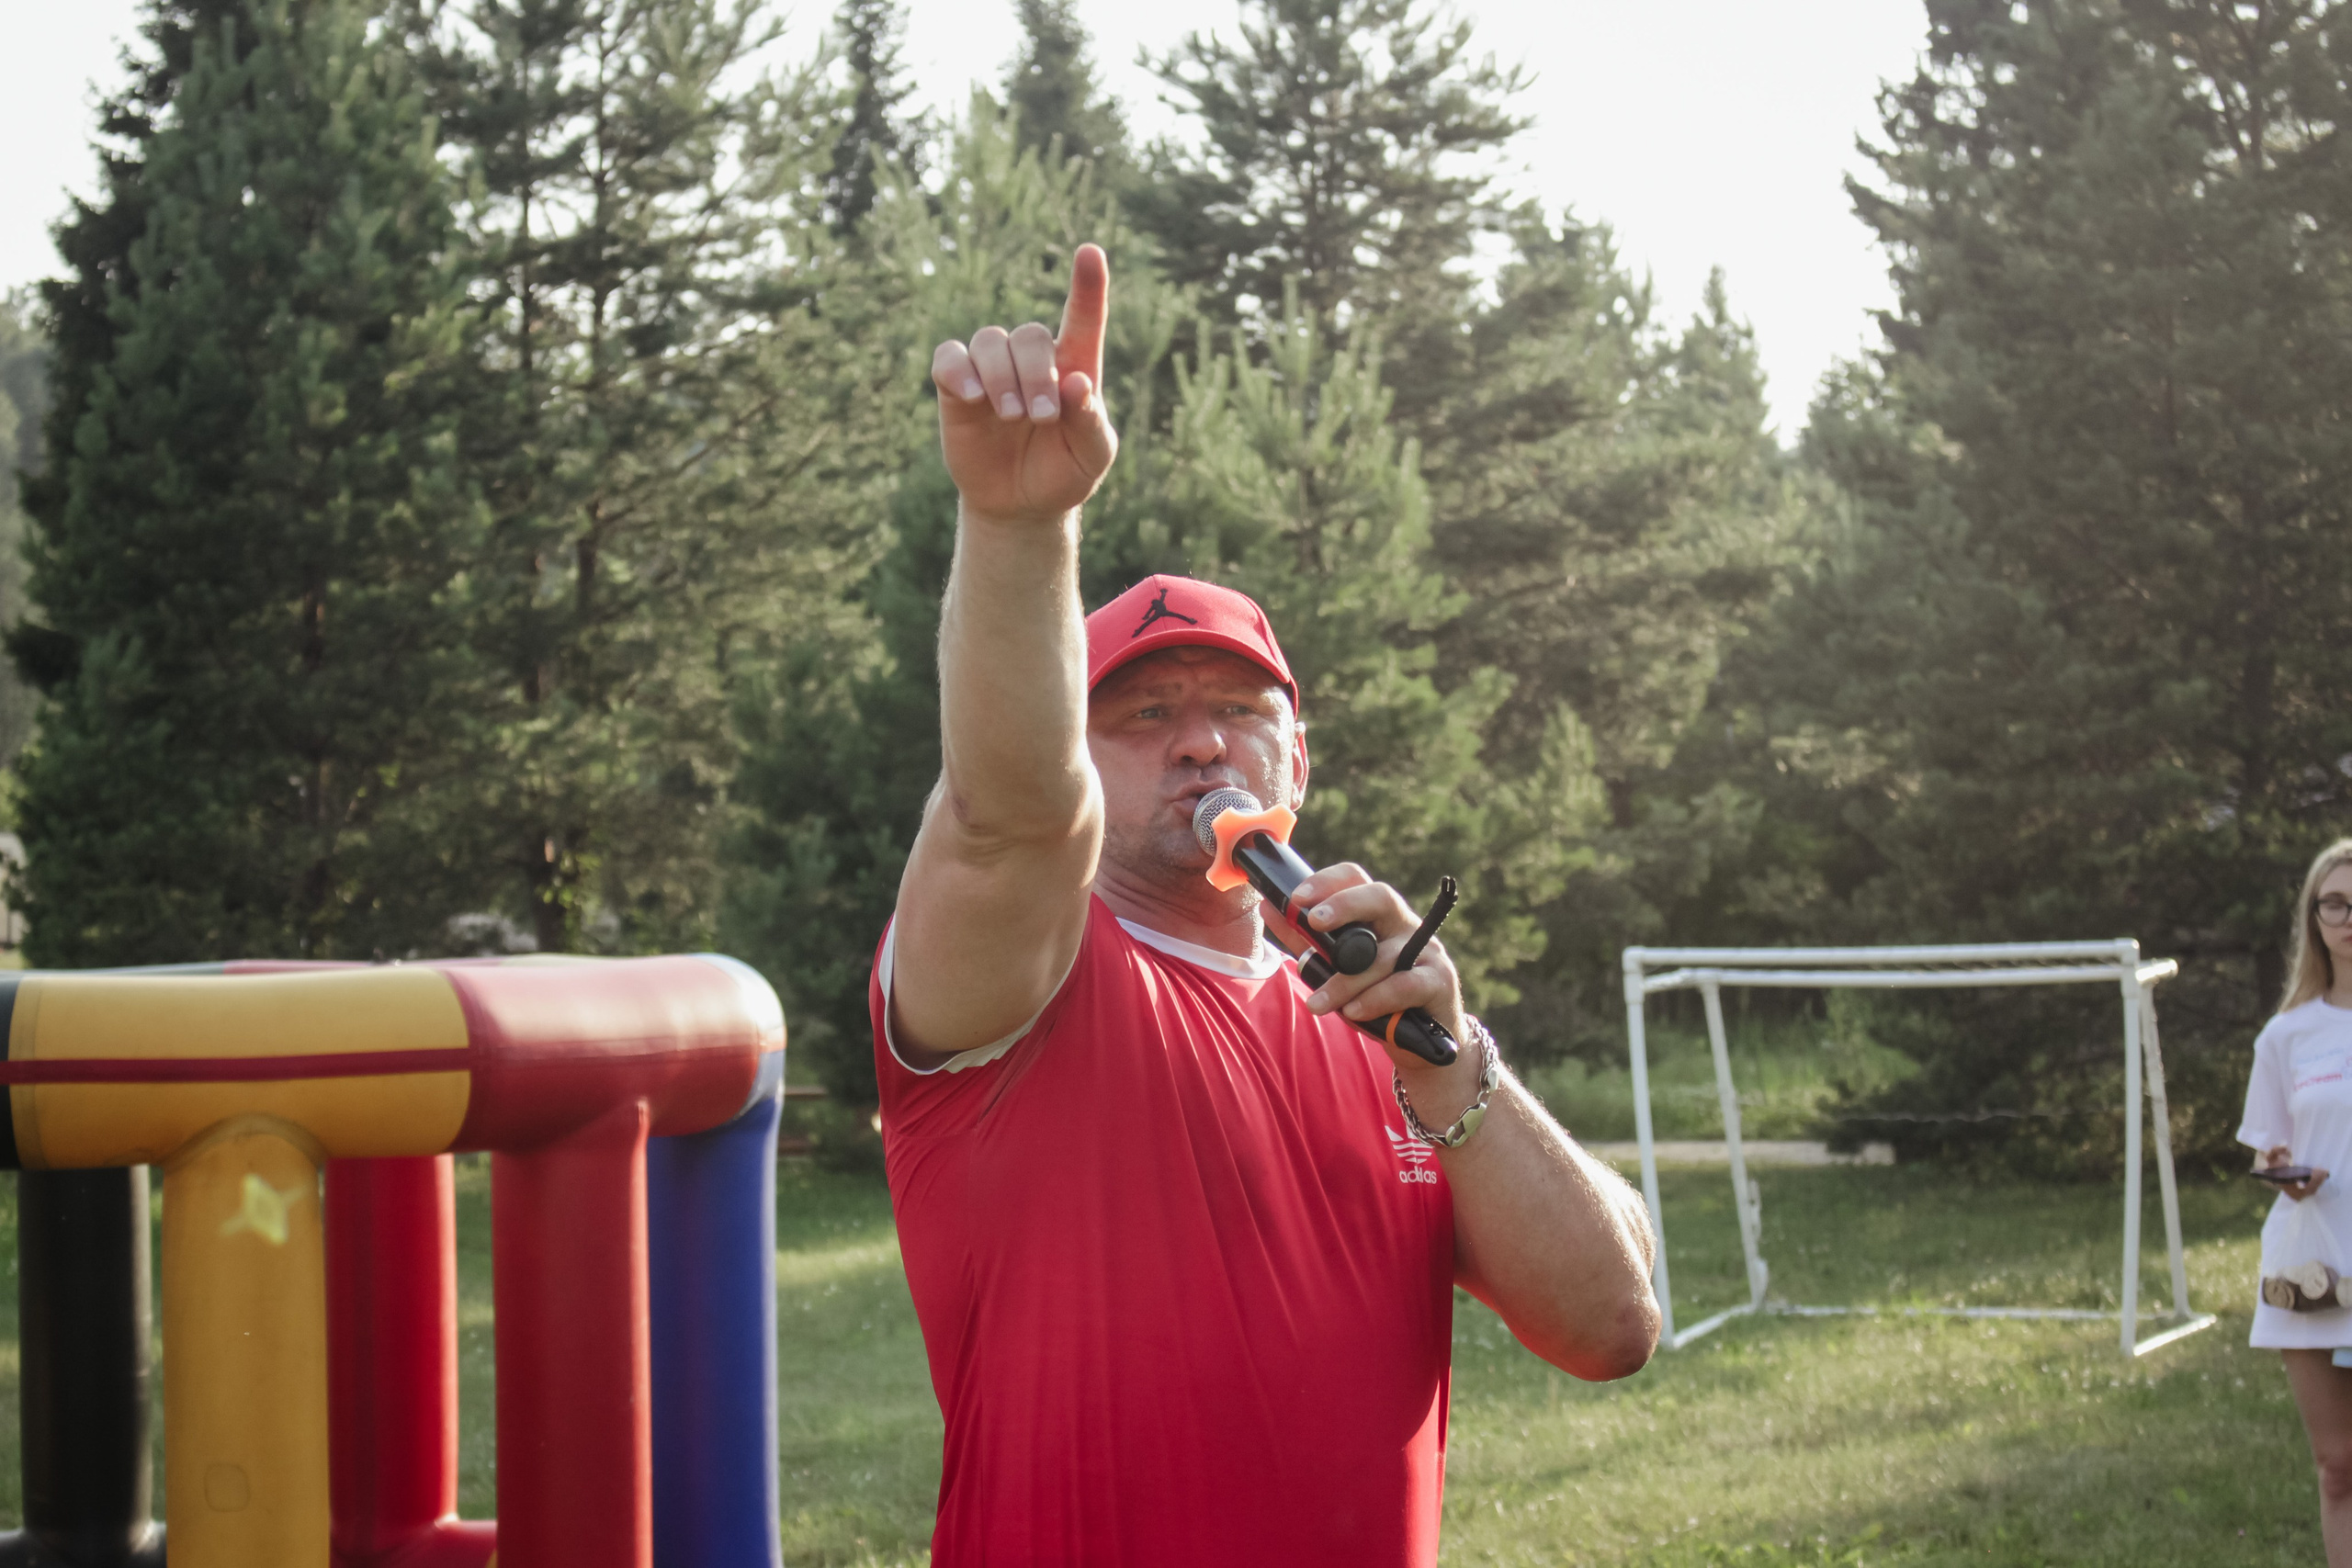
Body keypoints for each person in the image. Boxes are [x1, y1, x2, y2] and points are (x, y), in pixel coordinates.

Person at [869, 243, 1660, 1568]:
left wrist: (1450, 1061)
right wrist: (1017, 528)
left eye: (1241, 710)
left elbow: (1612, 1324)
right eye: (1144, 713)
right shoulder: (1026, 971)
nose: (1201, 744)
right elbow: (1011, 820)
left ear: (1299, 758)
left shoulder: (1380, 1008)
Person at [2244, 837, 2352, 1566]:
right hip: (2312, 1259)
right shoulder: (2288, 1034)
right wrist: (2281, 1168)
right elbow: (2268, 1149)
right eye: (2336, 902)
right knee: (2339, 1466)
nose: (2350, 917)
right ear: (2315, 917)